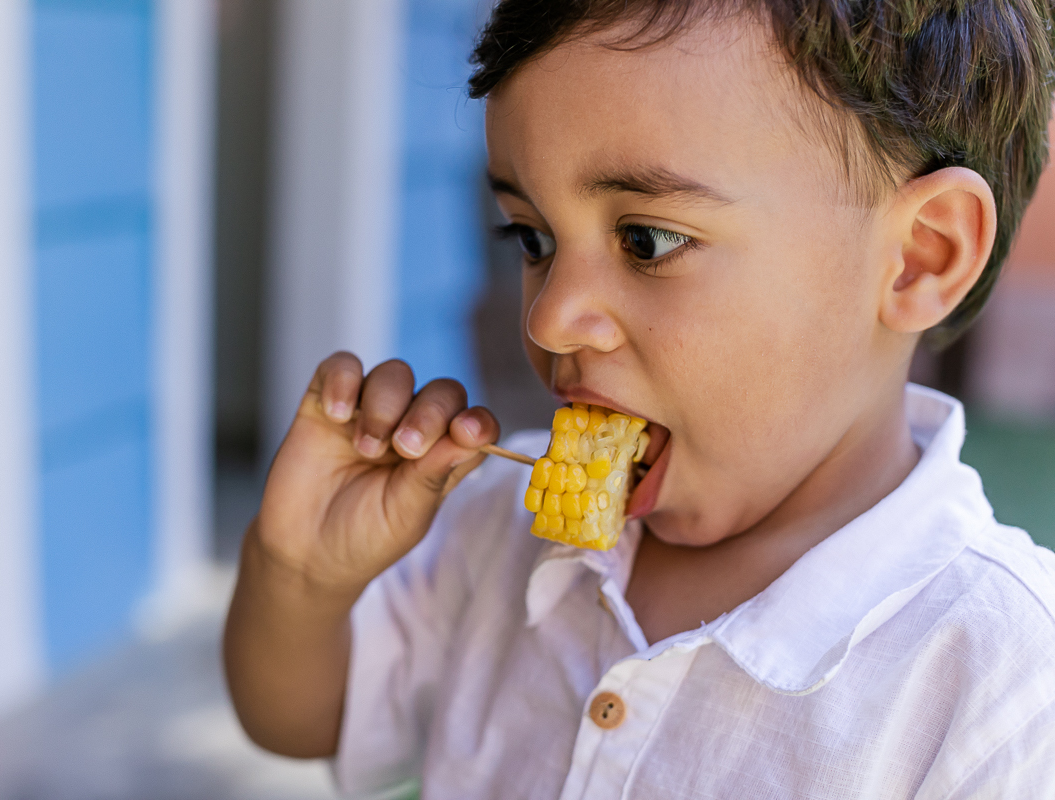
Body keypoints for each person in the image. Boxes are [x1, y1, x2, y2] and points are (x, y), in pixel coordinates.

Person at [224, 0, 1055, 796]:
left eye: (647, 241)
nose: (550, 320)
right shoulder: (496, 533)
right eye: (534, 239)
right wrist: (299, 578)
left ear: (920, 257)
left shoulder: (1002, 680)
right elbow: (311, 716)